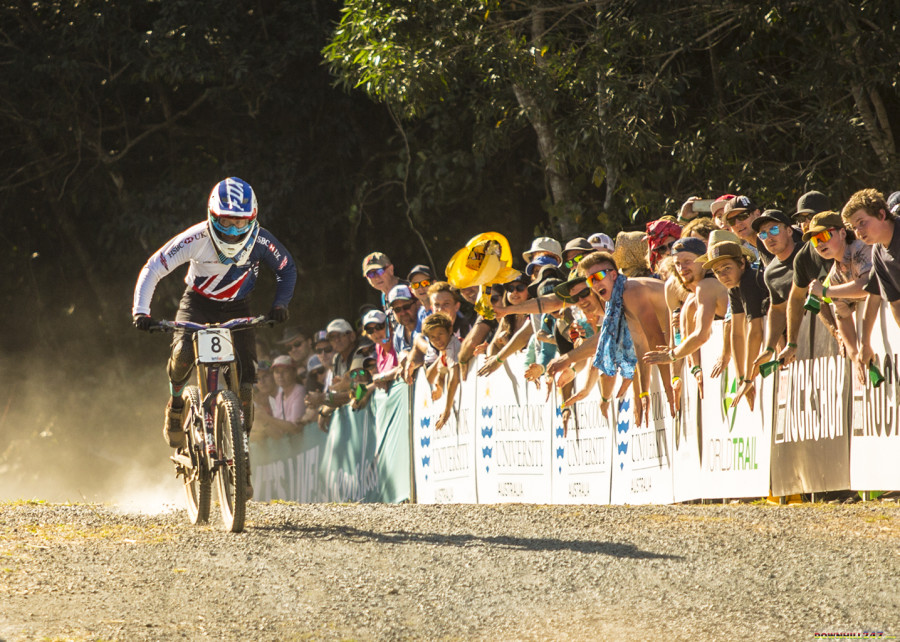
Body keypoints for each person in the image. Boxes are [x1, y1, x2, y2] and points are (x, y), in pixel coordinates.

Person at [132, 177, 296, 457]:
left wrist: (280, 304)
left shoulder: (261, 240)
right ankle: (175, 406)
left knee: (246, 381)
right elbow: (153, 268)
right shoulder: (196, 237)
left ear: (253, 218)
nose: (233, 231)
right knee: (183, 354)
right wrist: (141, 311)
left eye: (240, 223)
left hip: (237, 307)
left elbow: (286, 268)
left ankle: (242, 449)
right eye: (225, 222)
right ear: (211, 216)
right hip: (197, 304)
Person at [569, 252, 674, 424]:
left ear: (613, 274)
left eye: (598, 276)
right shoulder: (616, 299)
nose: (595, 284)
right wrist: (643, 392)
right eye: (590, 280)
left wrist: (668, 388)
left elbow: (656, 339)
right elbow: (641, 345)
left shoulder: (630, 291)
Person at [643, 237, 728, 406]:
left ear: (703, 261)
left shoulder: (708, 285)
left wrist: (671, 355)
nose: (682, 268)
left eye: (688, 261)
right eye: (677, 264)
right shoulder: (691, 297)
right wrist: (686, 373)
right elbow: (678, 336)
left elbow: (701, 336)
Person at [698, 234, 768, 409]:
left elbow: (755, 330)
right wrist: (740, 377)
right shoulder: (733, 287)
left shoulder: (749, 281)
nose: (723, 275)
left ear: (742, 263)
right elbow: (737, 334)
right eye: (717, 272)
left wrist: (748, 378)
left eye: (727, 268)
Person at [804, 211, 874, 381]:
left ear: (843, 233)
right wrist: (854, 355)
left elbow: (868, 286)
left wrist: (826, 292)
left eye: (824, 235)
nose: (820, 243)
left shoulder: (860, 247)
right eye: (815, 240)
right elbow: (841, 315)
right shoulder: (835, 274)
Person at [778, 190, 838, 367]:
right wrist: (791, 343)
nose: (804, 224)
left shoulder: (848, 240)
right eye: (800, 219)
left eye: (809, 217)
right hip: (837, 325)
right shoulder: (803, 257)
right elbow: (796, 298)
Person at [842, 189, 898, 375]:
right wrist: (865, 343)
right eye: (853, 227)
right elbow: (895, 302)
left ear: (882, 214)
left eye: (861, 223)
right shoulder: (877, 253)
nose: (858, 232)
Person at [750, 210, 800, 370]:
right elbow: (777, 309)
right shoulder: (770, 272)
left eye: (774, 230)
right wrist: (769, 348)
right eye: (763, 234)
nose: (769, 237)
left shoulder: (808, 253)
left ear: (789, 230)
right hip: (801, 343)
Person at [421, 313, 462, 430]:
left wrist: (447, 410)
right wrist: (439, 386)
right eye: (432, 337)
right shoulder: (444, 349)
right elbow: (434, 375)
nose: (437, 340)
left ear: (450, 330)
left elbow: (454, 378)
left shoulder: (452, 346)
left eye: (440, 334)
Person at [254, 355, 306, 438]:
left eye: (265, 376)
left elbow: (295, 428)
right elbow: (280, 432)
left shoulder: (298, 391)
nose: (262, 382)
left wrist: (265, 418)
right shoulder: (278, 397)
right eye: (277, 372)